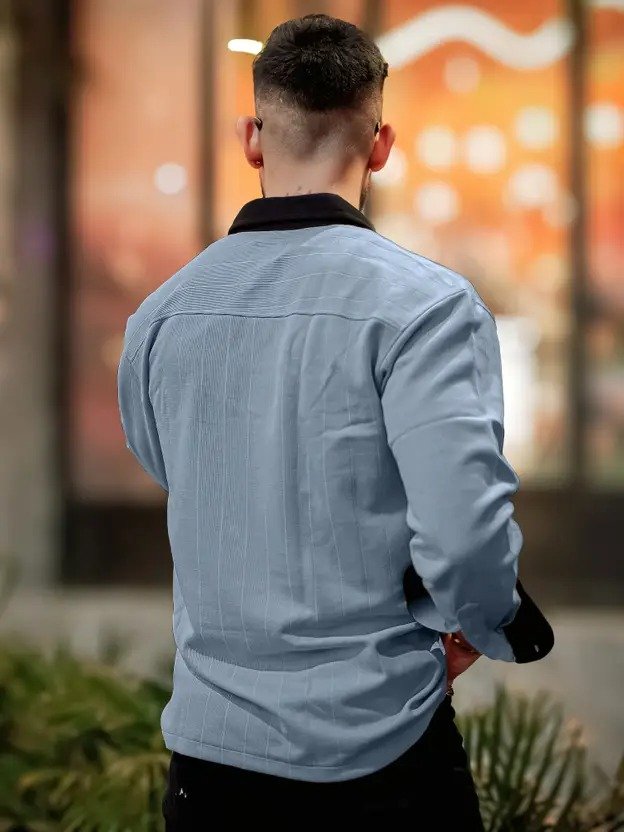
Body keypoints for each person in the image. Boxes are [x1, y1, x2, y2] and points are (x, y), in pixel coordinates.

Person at [117, 13, 554, 830]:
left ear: (252, 139)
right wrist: (486, 624)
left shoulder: (161, 317)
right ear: (381, 145)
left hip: (210, 766)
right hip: (380, 755)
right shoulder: (427, 309)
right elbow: (463, 535)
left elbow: (178, 470)